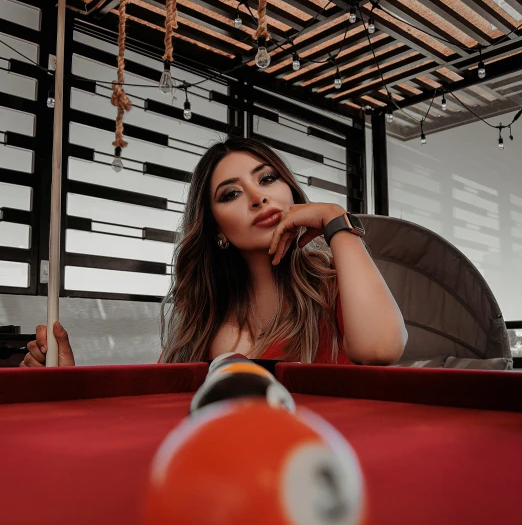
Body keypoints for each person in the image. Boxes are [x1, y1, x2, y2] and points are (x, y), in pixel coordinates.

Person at [20, 137, 408, 367]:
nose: (258, 197)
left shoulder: (334, 284)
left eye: (268, 178)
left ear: (290, 191)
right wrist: (65, 380)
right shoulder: (202, 323)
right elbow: (159, 421)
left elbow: (381, 348)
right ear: (217, 229)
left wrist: (336, 220)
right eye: (232, 193)